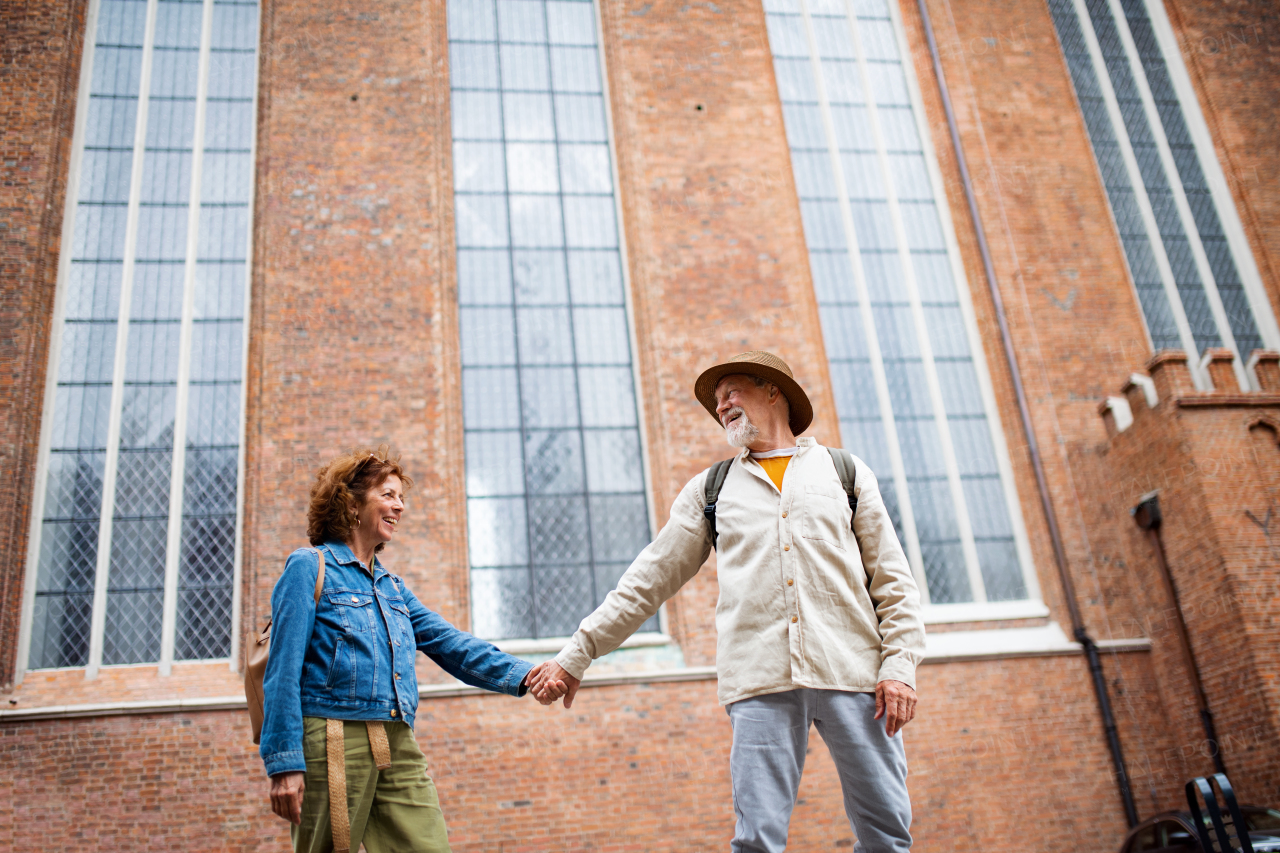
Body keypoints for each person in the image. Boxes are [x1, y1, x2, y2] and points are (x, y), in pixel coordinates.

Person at [530, 351, 926, 853]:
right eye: (717, 403)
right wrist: (577, 654)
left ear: (773, 391)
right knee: (756, 842)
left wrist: (900, 667)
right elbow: (648, 579)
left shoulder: (844, 472)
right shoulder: (710, 491)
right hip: (759, 681)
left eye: (731, 392)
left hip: (856, 675)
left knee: (887, 836)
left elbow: (893, 581)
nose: (722, 407)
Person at [260, 447, 564, 853]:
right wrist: (284, 763)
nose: (399, 506)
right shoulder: (309, 567)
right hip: (334, 737)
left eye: (401, 497)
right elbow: (281, 670)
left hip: (396, 738)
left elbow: (452, 644)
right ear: (351, 503)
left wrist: (526, 674)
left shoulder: (392, 588)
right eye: (388, 495)